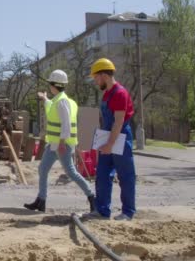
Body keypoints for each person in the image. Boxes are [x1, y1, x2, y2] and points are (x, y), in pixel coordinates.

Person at [24, 70, 95, 213]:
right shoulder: (59, 100)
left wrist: (62, 142)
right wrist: (45, 99)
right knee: (42, 169)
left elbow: (66, 123)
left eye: (50, 84)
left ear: (53, 85)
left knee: (71, 173)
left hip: (63, 144)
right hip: (54, 144)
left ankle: (92, 196)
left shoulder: (62, 101)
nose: (49, 87)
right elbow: (53, 109)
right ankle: (41, 201)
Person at [86, 58, 136, 221]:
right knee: (102, 174)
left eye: (96, 77)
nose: (95, 81)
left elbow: (119, 121)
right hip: (108, 136)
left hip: (120, 138)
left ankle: (128, 212)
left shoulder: (120, 93)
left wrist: (109, 144)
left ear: (104, 76)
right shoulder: (107, 93)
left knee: (125, 175)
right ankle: (102, 210)